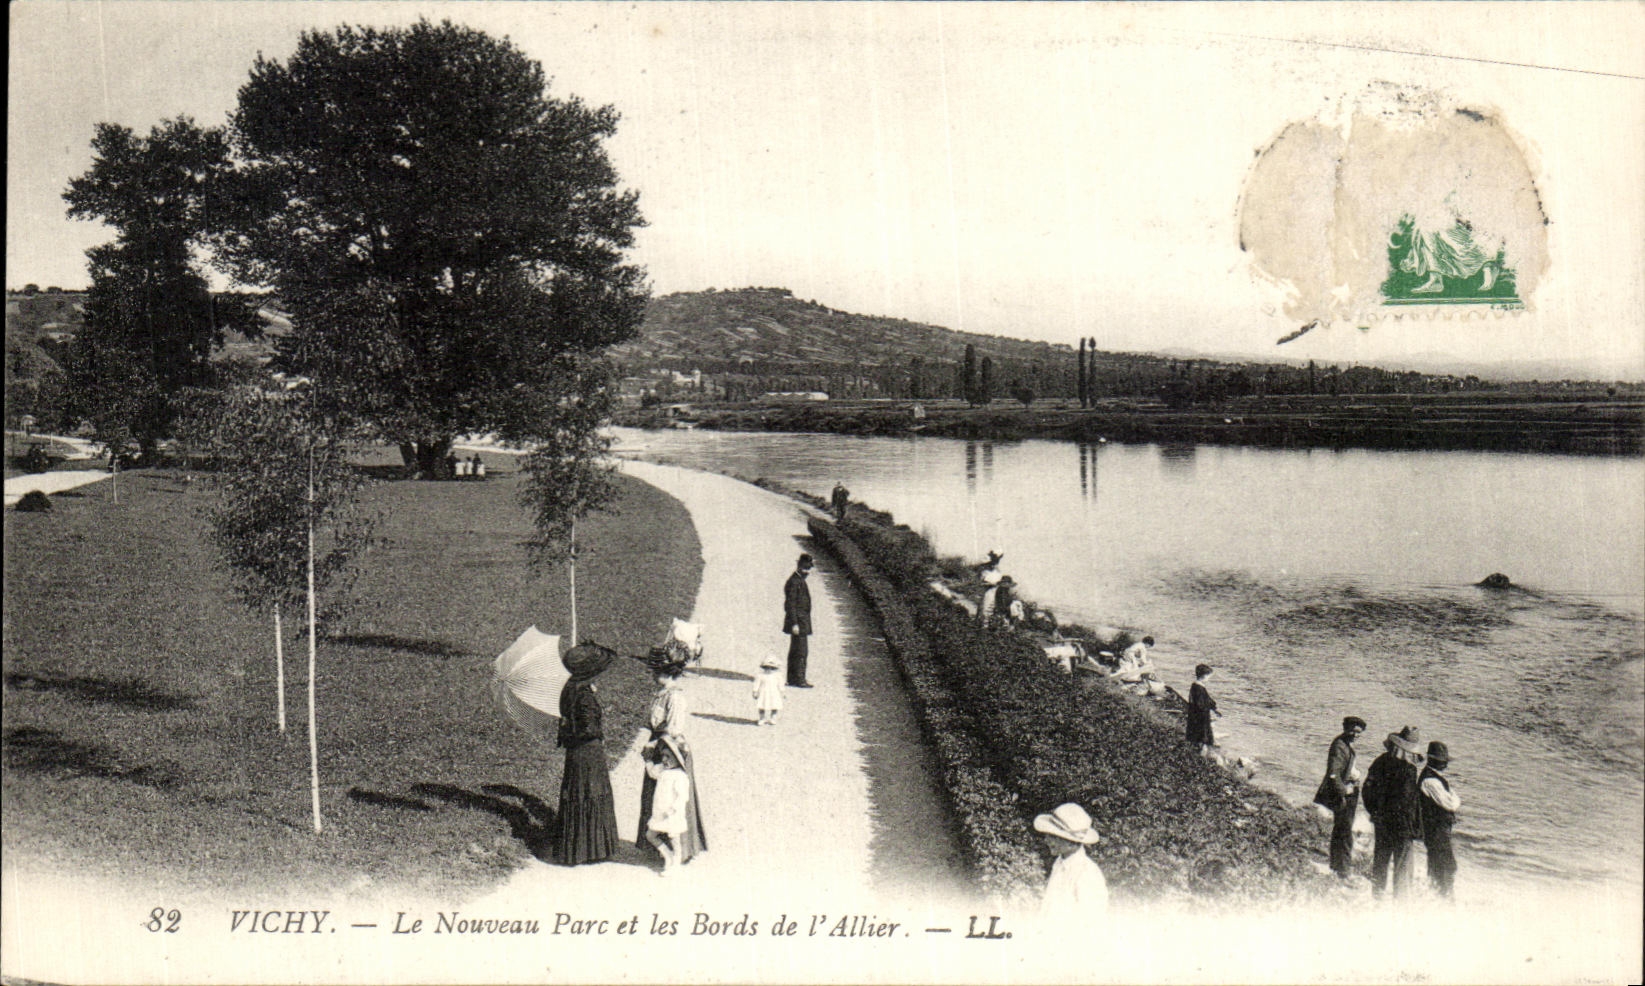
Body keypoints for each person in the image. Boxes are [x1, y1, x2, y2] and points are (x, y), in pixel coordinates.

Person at [636, 651, 706, 865]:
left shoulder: (675, 697)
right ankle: (654, 845)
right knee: (655, 796)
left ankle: (680, 849)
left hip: (669, 750)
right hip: (659, 744)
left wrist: (655, 743)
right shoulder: (662, 693)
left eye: (655, 673)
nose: (652, 677)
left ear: (665, 673)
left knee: (670, 797)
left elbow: (674, 728)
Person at [554, 642, 621, 866]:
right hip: (589, 752)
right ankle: (593, 848)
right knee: (590, 792)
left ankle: (576, 848)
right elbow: (589, 729)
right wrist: (597, 723)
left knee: (578, 793)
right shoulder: (584, 697)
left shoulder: (569, 689)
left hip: (575, 753)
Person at [1360, 725, 1426, 898]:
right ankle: (1400, 905)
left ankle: (1377, 898)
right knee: (1402, 867)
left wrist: (1375, 812)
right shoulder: (1408, 770)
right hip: (1401, 826)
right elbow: (1407, 802)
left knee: (1380, 862)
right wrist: (1415, 826)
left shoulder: (1380, 761)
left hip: (1382, 821)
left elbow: (1367, 790)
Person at [1034, 802, 1108, 933]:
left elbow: (1092, 926)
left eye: (1054, 837)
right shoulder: (1060, 863)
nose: (1047, 841)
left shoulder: (1088, 873)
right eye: (1048, 835)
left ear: (1071, 842)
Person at [1315, 716, 1368, 879]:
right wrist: (1344, 791)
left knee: (1341, 830)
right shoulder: (1340, 746)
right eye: (1352, 730)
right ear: (1345, 728)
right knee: (1344, 831)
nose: (1355, 734)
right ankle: (1343, 871)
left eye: (1358, 732)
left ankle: (1336, 865)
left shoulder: (1345, 743)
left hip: (1347, 792)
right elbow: (1333, 773)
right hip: (1344, 794)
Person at [643, 737, 692, 877]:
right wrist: (648, 760)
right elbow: (652, 772)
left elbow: (683, 796)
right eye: (663, 756)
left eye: (669, 757)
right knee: (650, 835)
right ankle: (668, 855)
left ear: (678, 759)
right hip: (660, 811)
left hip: (672, 813)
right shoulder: (662, 770)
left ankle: (676, 863)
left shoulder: (680, 776)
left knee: (674, 838)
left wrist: (674, 808)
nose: (665, 760)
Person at [1419, 740, 1462, 897]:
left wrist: (1453, 798)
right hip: (1435, 829)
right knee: (1443, 863)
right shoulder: (1430, 780)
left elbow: (1452, 800)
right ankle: (1442, 895)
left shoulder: (1435, 778)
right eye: (1442, 762)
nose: (1445, 765)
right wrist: (1454, 799)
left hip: (1439, 829)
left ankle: (1439, 893)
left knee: (1444, 862)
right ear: (1433, 761)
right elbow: (1451, 803)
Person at [783, 553, 814, 687]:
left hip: (801, 622)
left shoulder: (798, 580)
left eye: (809, 569)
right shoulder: (795, 582)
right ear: (799, 566)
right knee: (801, 651)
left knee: (796, 650)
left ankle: (792, 678)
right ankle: (799, 679)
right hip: (799, 623)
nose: (807, 571)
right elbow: (790, 604)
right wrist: (795, 623)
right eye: (805, 568)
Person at [1186, 663, 1220, 752]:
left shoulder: (1196, 686)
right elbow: (1201, 704)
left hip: (1197, 715)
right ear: (1204, 676)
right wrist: (1210, 708)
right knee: (1201, 736)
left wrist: (1214, 709)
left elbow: (1207, 700)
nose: (1209, 679)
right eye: (1208, 676)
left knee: (1200, 736)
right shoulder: (1198, 688)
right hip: (1200, 717)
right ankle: (1200, 754)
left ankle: (1199, 751)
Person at [753, 655, 784, 725]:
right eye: (767, 667)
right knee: (761, 705)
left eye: (772, 668)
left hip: (774, 693)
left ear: (775, 668)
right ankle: (762, 718)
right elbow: (756, 683)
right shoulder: (760, 675)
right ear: (764, 667)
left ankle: (773, 718)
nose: (769, 669)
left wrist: (782, 692)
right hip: (764, 692)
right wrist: (755, 691)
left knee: (775, 705)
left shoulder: (777, 676)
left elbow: (780, 684)